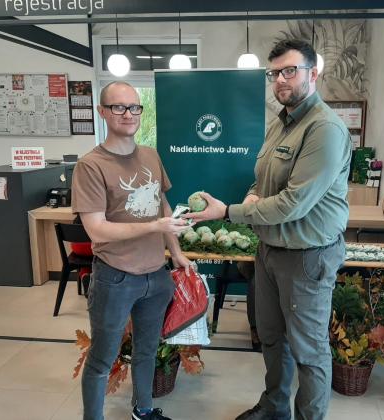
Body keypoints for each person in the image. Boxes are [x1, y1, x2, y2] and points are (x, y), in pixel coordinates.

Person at [184, 39, 351, 420]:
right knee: (272, 339)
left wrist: (229, 211)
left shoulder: (324, 128)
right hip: (269, 251)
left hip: (306, 258)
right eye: (274, 73)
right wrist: (252, 195)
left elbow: (293, 203)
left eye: (290, 70)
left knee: (309, 351)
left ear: (313, 72)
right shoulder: (281, 123)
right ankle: (275, 408)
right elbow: (262, 181)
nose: (280, 80)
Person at [72, 81, 192, 420]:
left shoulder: (151, 155)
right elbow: (97, 229)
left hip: (156, 275)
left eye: (134, 107)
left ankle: (143, 410)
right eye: (118, 107)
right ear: (102, 112)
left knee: (147, 350)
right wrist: (154, 227)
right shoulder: (91, 165)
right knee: (102, 359)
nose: (128, 114)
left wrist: (176, 252)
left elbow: (161, 203)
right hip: (115, 278)